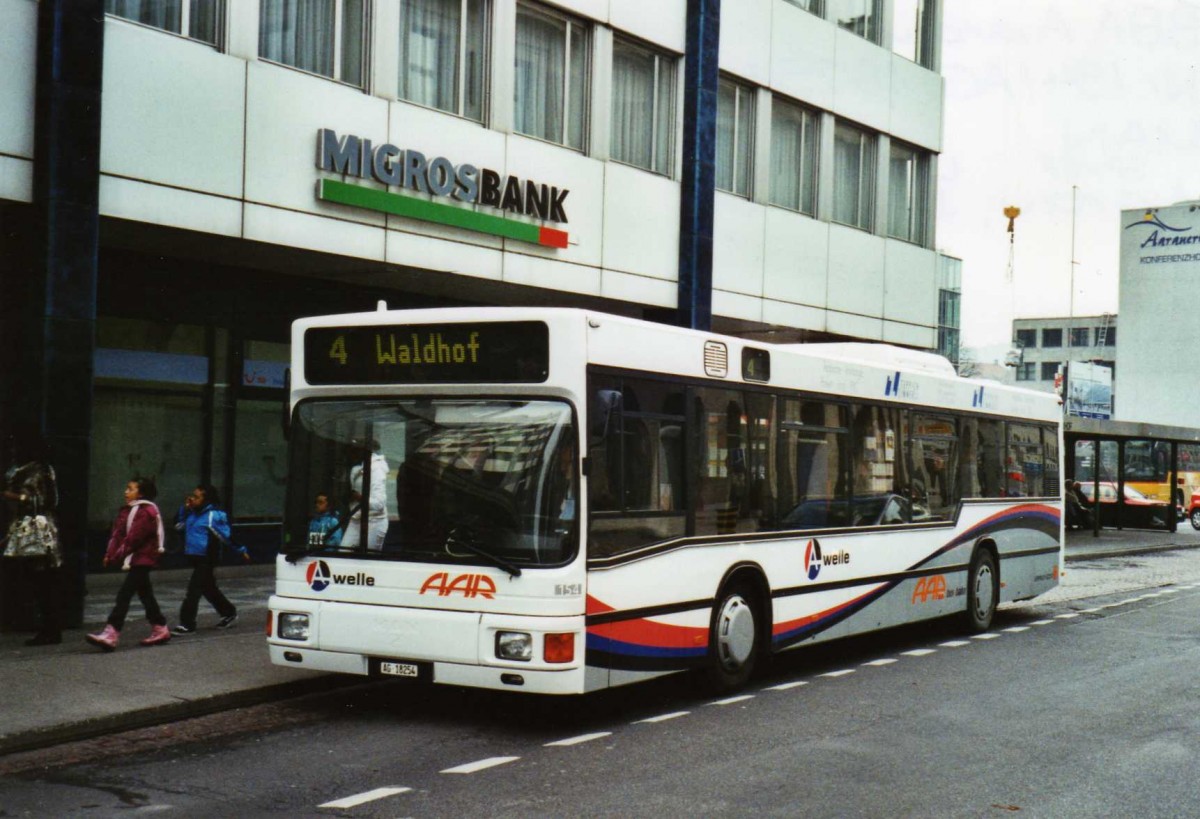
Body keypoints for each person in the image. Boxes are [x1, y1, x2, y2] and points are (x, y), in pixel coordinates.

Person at [86, 476, 170, 650]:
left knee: (124, 594)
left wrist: (115, 556)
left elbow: (133, 539)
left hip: (143, 558)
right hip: (137, 558)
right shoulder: (128, 510)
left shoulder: (146, 511)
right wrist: (110, 554)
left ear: (141, 493)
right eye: (127, 488)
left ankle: (112, 633)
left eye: (130, 488)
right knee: (145, 594)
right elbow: (117, 534)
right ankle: (160, 627)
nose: (126, 492)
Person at [2, 434, 63, 646]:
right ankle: (51, 627)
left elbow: (41, 499)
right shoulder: (45, 469)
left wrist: (15, 496)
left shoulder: (34, 471)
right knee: (44, 580)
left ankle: (50, 628)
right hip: (44, 529)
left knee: (41, 580)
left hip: (35, 530)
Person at [172, 484, 249, 634]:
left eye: (196, 497)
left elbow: (225, 535)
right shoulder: (192, 514)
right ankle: (228, 612)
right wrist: (184, 509)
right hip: (195, 557)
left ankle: (187, 624)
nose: (192, 499)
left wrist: (241, 550)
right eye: (192, 496)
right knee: (208, 588)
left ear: (206, 500)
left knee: (193, 591)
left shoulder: (213, 515)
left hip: (207, 558)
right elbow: (178, 526)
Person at [341, 440, 389, 551]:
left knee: (370, 560)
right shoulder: (356, 469)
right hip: (356, 518)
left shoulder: (377, 470)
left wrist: (358, 497)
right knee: (343, 552)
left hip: (375, 521)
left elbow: (379, 504)